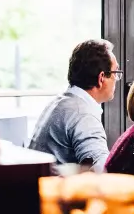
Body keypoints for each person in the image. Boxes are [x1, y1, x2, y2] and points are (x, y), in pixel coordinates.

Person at [29, 39, 119, 172]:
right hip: (54, 190)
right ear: (101, 78)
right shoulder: (83, 115)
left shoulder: (61, 103)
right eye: (115, 73)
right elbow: (101, 171)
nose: (116, 79)